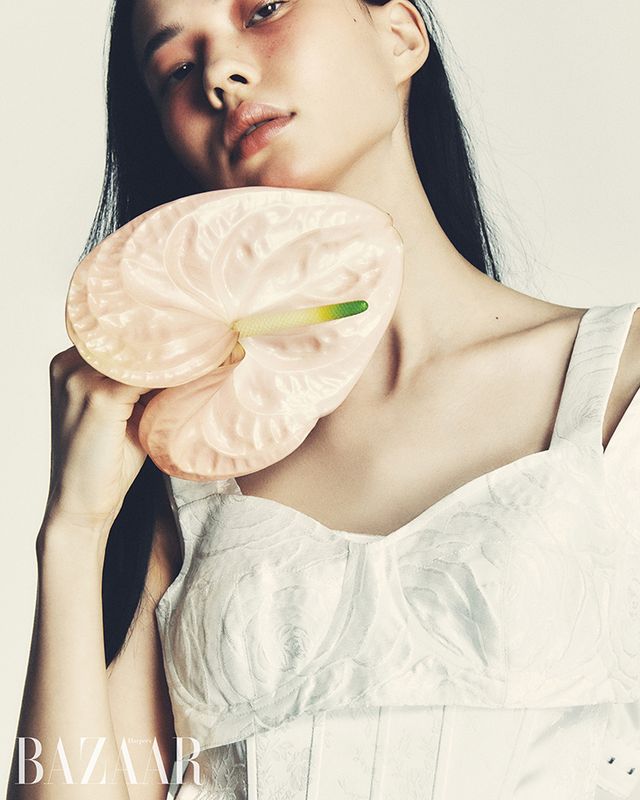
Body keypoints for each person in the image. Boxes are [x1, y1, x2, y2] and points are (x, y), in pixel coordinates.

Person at [6, 1, 640, 798]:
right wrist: (72, 532)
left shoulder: (619, 381)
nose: (219, 74)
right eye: (176, 67)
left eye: (265, 8)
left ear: (400, 35)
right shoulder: (181, 457)